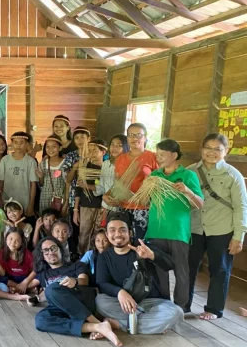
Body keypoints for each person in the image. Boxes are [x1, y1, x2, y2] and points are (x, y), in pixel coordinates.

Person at [187, 133, 247, 320]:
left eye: (217, 149)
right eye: (208, 148)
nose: (212, 153)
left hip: (221, 229)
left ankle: (213, 309)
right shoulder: (190, 171)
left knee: (220, 270)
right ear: (201, 149)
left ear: (225, 151)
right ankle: (182, 305)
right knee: (187, 268)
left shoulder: (232, 175)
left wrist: (239, 236)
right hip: (193, 228)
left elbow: (241, 206)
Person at [96, 212, 184, 335]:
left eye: (122, 230)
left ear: (130, 232)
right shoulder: (105, 257)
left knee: (177, 312)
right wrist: (120, 293)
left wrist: (152, 255)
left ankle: (120, 324)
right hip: (123, 304)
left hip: (150, 302)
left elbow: (170, 265)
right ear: (107, 234)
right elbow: (102, 282)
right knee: (100, 301)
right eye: (112, 230)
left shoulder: (143, 249)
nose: (117, 234)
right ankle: (151, 323)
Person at [146, 139, 203, 312]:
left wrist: (187, 190)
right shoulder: (155, 176)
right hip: (156, 230)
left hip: (178, 231)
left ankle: (181, 308)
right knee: (159, 271)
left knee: (181, 271)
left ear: (174, 155)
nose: (159, 157)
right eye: (157, 154)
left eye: (162, 154)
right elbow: (144, 200)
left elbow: (200, 204)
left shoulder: (188, 176)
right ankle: (163, 306)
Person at [33, 236, 121, 346]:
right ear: (42, 256)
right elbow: (44, 294)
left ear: (60, 249)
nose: (50, 252)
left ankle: (95, 322)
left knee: (52, 289)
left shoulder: (77, 265)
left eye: (53, 248)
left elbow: (84, 280)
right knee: (40, 320)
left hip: (81, 299)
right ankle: (96, 326)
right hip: (60, 306)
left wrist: (75, 281)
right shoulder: (43, 275)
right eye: (46, 250)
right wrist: (33, 298)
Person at [105, 123, 159, 240]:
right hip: (123, 207)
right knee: (123, 242)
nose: (135, 138)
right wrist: (107, 195)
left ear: (145, 138)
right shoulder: (121, 159)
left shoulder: (153, 157)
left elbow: (160, 184)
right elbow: (118, 183)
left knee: (141, 244)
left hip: (144, 209)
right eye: (131, 135)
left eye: (139, 135)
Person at [74, 140, 107, 255]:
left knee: (99, 234)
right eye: (90, 150)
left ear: (103, 152)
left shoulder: (107, 168)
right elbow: (78, 189)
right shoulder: (84, 166)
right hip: (86, 205)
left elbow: (106, 188)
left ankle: (97, 257)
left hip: (102, 206)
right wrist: (75, 210)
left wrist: (88, 186)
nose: (91, 153)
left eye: (95, 150)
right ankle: (82, 257)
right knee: (84, 234)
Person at [0, 131, 38, 219]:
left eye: (21, 143)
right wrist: (0, 201)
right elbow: (1, 182)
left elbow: (33, 184)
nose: (18, 145)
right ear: (12, 144)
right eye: (15, 142)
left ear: (27, 144)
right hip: (7, 202)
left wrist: (31, 205)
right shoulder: (5, 160)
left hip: (25, 202)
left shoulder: (31, 161)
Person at [0, 228, 40, 303]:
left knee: (41, 275)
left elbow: (35, 270)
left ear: (22, 242)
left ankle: (19, 288)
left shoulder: (27, 254)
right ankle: (23, 288)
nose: (13, 242)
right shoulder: (2, 253)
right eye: (11, 239)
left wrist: (25, 282)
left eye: (17, 240)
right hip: (10, 279)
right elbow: (2, 273)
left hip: (24, 278)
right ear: (6, 239)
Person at [94, 135, 129, 223]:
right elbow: (101, 186)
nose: (114, 148)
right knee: (102, 235)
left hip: (121, 208)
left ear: (126, 147)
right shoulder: (106, 164)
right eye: (112, 144)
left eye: (119, 145)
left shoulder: (129, 166)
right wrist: (89, 184)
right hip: (105, 207)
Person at [37, 136, 66, 215]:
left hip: (60, 199)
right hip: (45, 198)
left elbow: (68, 185)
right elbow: (41, 184)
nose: (50, 149)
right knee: (46, 222)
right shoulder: (43, 164)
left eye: (54, 146)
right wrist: (41, 177)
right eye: (48, 147)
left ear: (60, 148)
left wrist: (66, 203)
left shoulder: (66, 163)